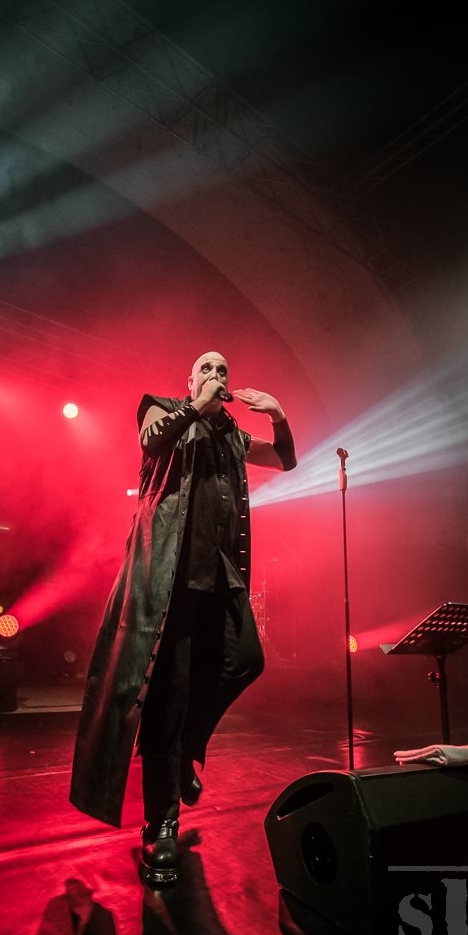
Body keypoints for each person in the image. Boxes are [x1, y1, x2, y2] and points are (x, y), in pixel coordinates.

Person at [69, 351, 297, 886]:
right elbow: (151, 442)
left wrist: (280, 415)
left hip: (220, 578)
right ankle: (161, 824)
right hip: (167, 580)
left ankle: (189, 750)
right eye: (207, 369)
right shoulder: (160, 407)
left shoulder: (234, 436)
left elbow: (284, 460)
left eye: (223, 370)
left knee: (247, 660)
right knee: (166, 704)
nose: (218, 376)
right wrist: (194, 407)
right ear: (190, 380)